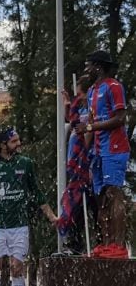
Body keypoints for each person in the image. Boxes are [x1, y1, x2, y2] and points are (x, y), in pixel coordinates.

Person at [0, 127, 57, 286]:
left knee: (17, 268)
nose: (19, 144)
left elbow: (36, 192)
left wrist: (52, 216)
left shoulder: (25, 163)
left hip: (19, 225)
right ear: (2, 145)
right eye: (14, 141)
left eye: (18, 140)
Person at [73, 50, 130, 258]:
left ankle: (119, 245)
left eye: (88, 66)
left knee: (113, 193)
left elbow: (120, 118)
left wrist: (90, 127)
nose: (86, 70)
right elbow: (90, 124)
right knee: (101, 198)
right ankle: (106, 243)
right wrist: (82, 151)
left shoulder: (114, 87)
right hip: (97, 150)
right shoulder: (91, 92)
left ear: (98, 67)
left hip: (115, 149)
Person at [58, 77, 95, 254]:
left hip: (84, 163)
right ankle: (75, 240)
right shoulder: (80, 107)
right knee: (73, 202)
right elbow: (72, 121)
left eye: (79, 93)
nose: (77, 96)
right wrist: (67, 104)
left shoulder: (91, 107)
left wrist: (83, 157)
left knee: (82, 202)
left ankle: (88, 241)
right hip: (75, 162)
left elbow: (87, 131)